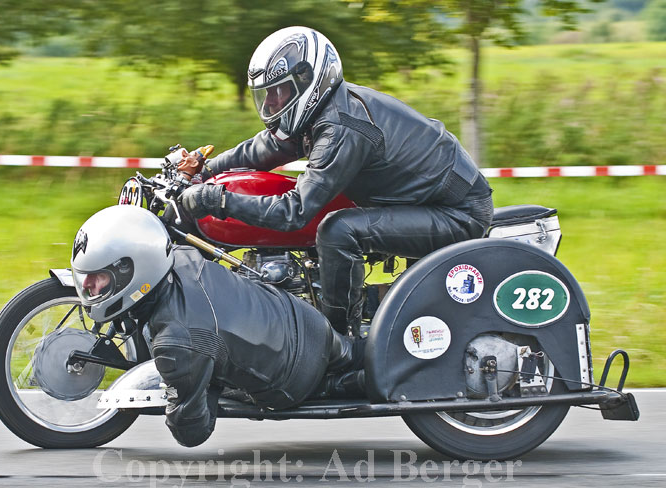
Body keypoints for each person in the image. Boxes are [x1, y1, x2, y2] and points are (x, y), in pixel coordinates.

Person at [179, 26, 494, 337]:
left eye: (279, 91)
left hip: (456, 211)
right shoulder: (317, 112)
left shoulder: (341, 127)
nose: (271, 103)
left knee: (338, 230)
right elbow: (266, 147)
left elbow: (294, 211)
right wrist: (203, 169)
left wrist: (218, 201)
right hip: (421, 201)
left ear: (307, 84)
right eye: (266, 94)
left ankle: (337, 344)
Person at [70, 205, 361, 448]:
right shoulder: (182, 256)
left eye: (99, 277)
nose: (88, 286)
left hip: (291, 379)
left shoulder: (176, 343)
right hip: (303, 317)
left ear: (130, 271)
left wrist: (197, 382)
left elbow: (192, 432)